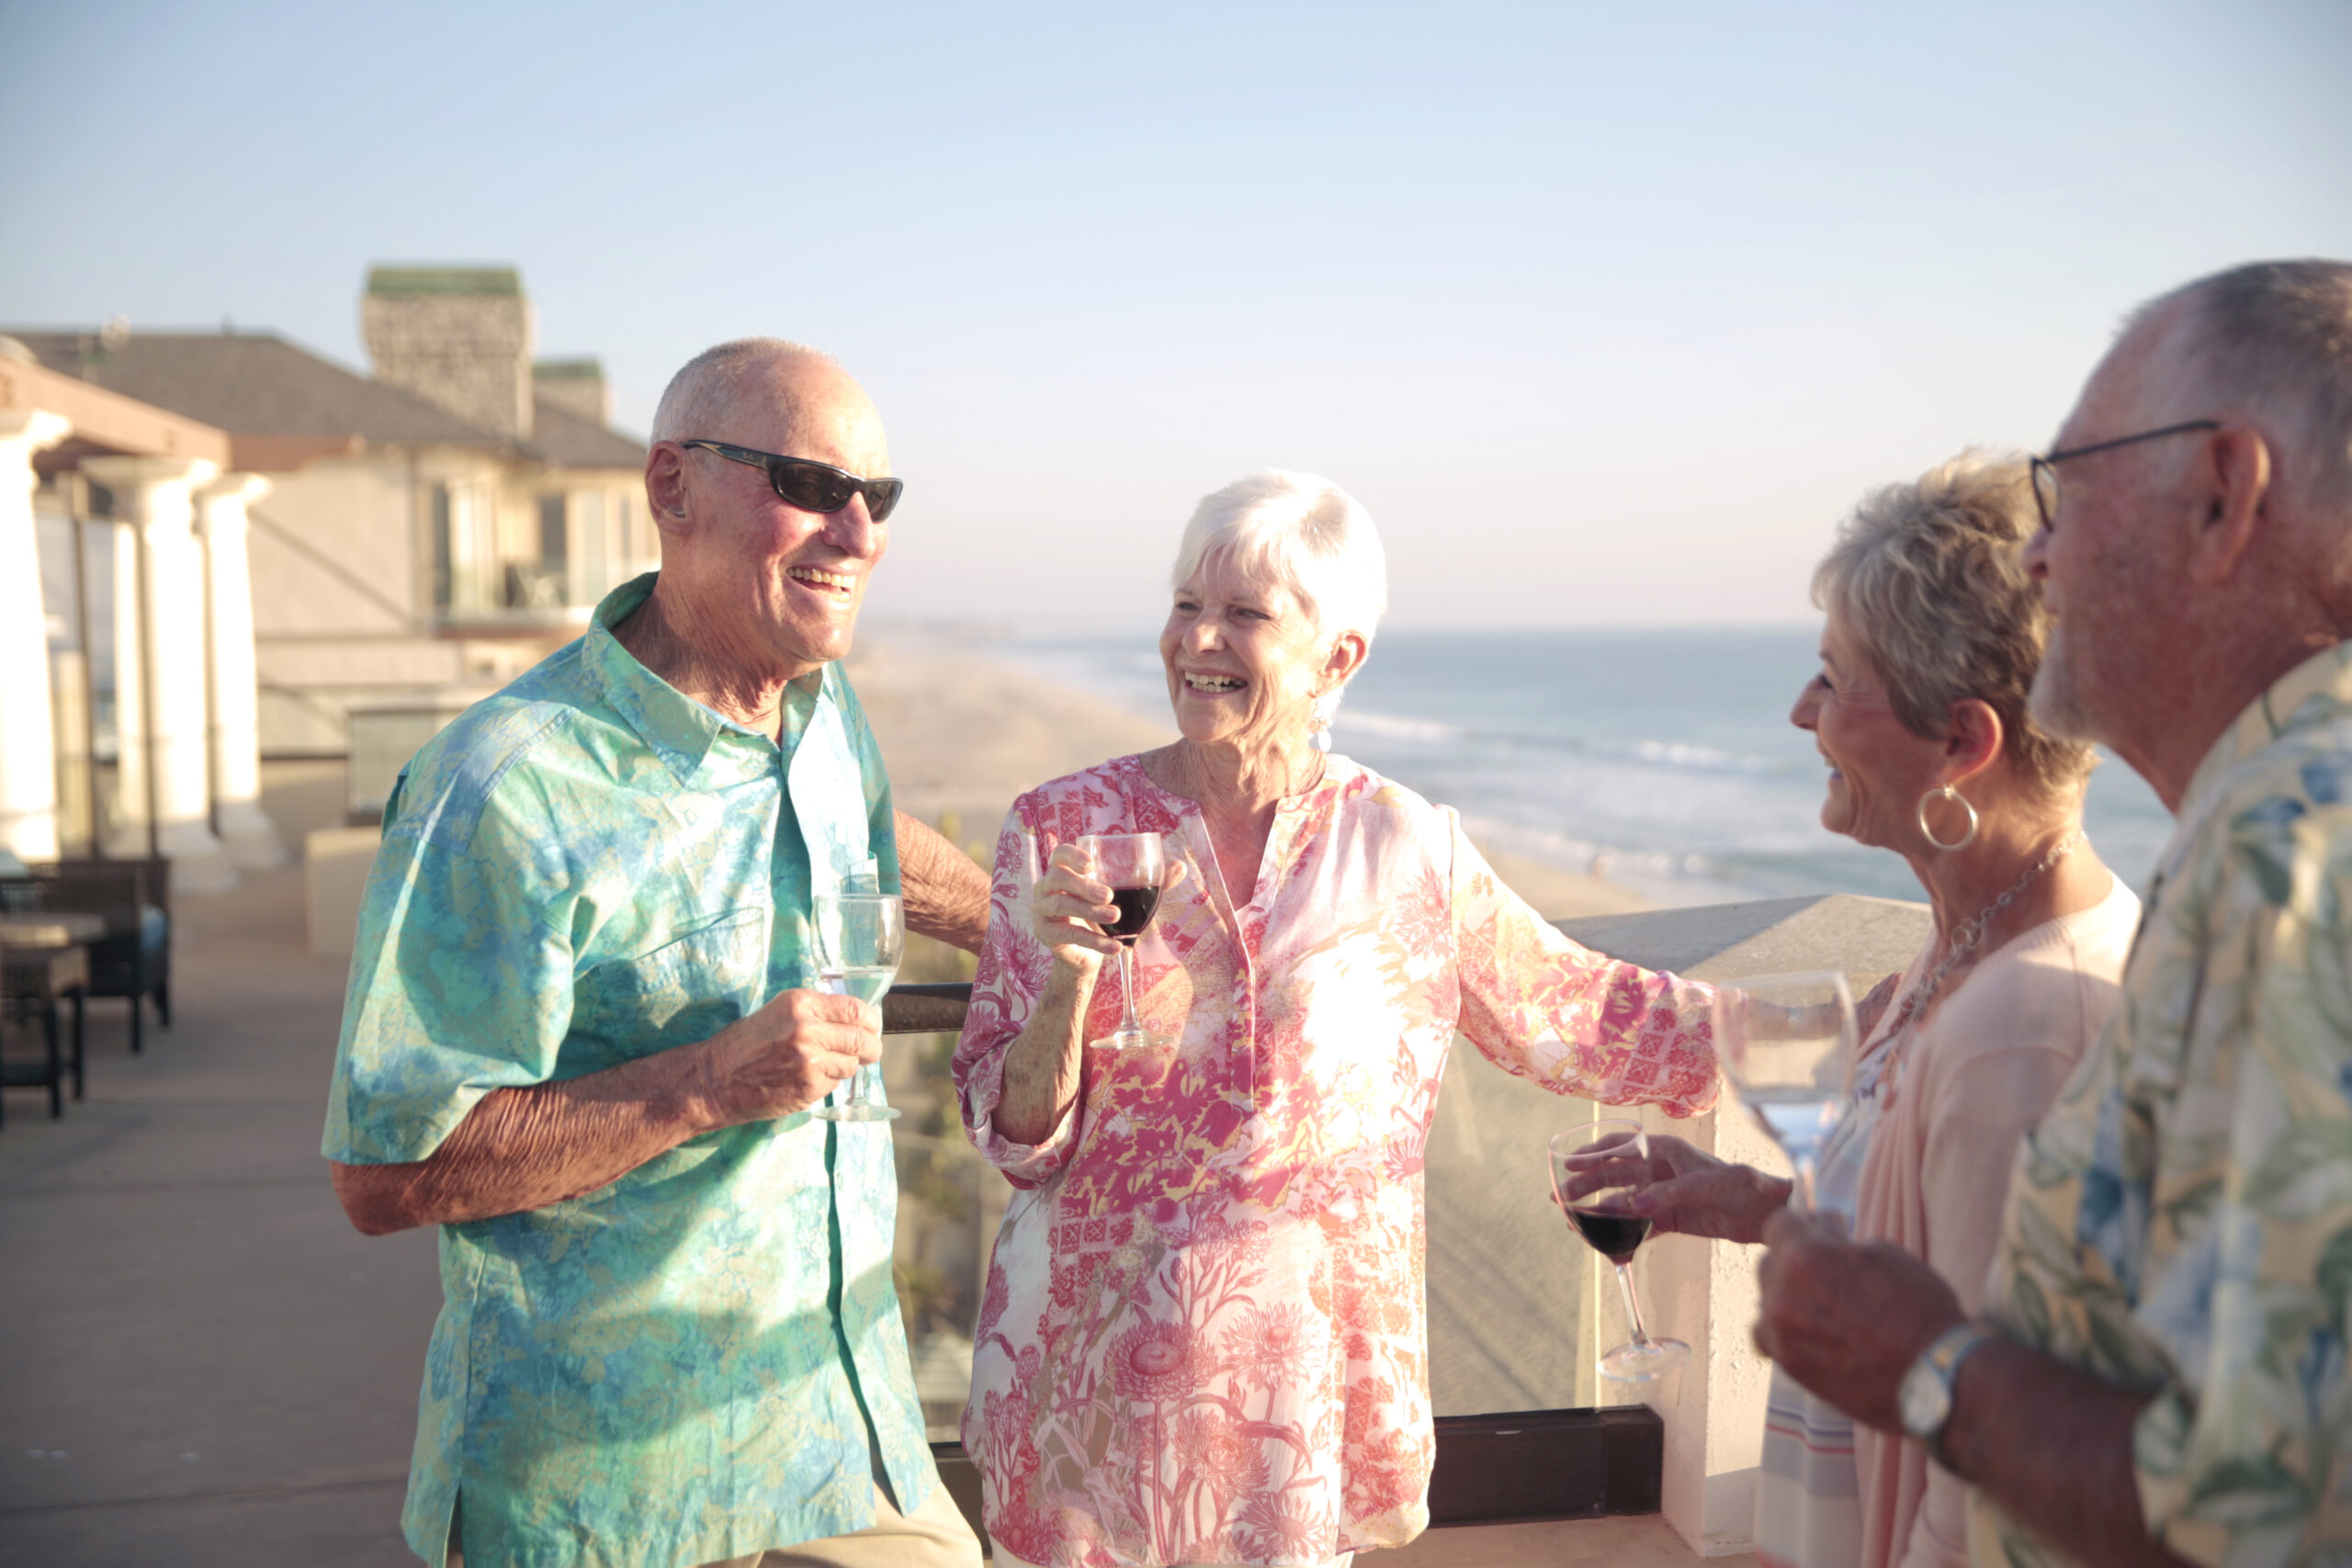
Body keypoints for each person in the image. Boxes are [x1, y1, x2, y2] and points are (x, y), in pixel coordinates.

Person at [952, 471, 1719, 1568]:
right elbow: (1013, 1138)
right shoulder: (1060, 826)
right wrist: (1066, 980)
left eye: (1244, 614)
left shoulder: (1406, 848)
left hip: (1298, 1414)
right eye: (1184, 604)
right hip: (1082, 1402)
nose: (1196, 638)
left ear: (1338, 657)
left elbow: (1582, 1010)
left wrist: (1825, 1034)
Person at [323, 339, 989, 1568]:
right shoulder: (501, 788)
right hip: (606, 1491)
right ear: (672, 487)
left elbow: (859, 826)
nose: (859, 533)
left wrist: (1015, 929)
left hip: (841, 1429)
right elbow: (385, 1175)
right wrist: (706, 1082)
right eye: (807, 481)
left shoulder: (813, 704)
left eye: (879, 497)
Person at [1750, 258, 2352, 1568]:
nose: (2040, 553)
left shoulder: (2289, 853)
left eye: (2066, 488)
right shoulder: (2269, 827)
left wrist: (1924, 1367)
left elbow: (2264, 1510)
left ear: (2223, 494)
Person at [1611, 454, 2138, 1568]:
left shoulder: (2021, 1033)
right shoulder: (1958, 944)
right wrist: (1758, 1205)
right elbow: (1923, 1268)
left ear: (1962, 744)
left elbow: (1990, 1469)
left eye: (1832, 680)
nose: (1800, 711)